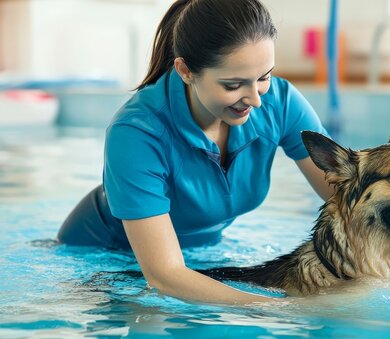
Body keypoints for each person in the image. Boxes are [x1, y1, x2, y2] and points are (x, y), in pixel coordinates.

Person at [57, 0, 333, 305]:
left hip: (197, 255)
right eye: (233, 84)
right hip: (102, 260)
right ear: (186, 70)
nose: (255, 99)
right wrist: (280, 309)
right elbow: (165, 275)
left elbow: (344, 193)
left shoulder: (279, 103)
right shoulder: (137, 132)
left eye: (264, 76)